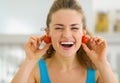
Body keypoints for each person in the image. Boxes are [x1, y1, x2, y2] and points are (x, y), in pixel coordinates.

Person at [11, 0, 118, 83]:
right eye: (58, 28)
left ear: (83, 33)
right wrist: (29, 61)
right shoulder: (35, 70)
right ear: (48, 33)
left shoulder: (97, 70)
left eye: (74, 28)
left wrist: (103, 64)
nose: (66, 35)